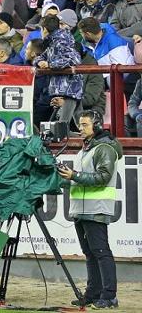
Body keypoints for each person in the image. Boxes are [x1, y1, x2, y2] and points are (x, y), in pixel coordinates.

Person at [58, 112, 122, 310]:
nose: (80, 128)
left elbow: (102, 177)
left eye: (84, 125)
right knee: (91, 253)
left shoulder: (103, 148)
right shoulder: (87, 149)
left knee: (101, 252)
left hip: (96, 209)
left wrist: (74, 175)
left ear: (96, 126)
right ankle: (93, 294)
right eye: (80, 125)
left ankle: (109, 296)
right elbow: (79, 180)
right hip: (83, 210)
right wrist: (63, 179)